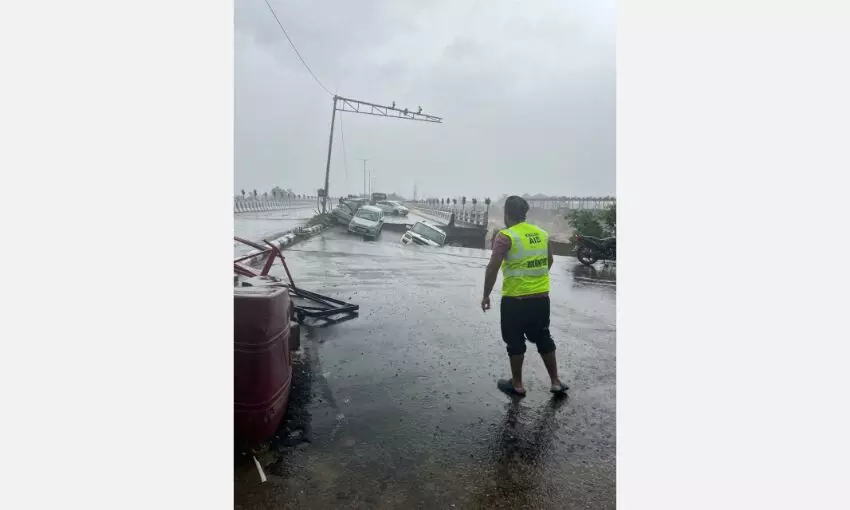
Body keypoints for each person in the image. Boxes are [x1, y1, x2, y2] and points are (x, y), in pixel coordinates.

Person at [481, 195, 568, 397]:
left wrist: (486, 295)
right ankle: (555, 381)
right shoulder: (542, 233)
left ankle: (518, 385)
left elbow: (492, 268)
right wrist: (536, 281)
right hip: (541, 298)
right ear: (524, 213)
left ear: (506, 214)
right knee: (543, 336)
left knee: (515, 341)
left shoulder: (506, 236)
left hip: (515, 299)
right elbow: (550, 260)